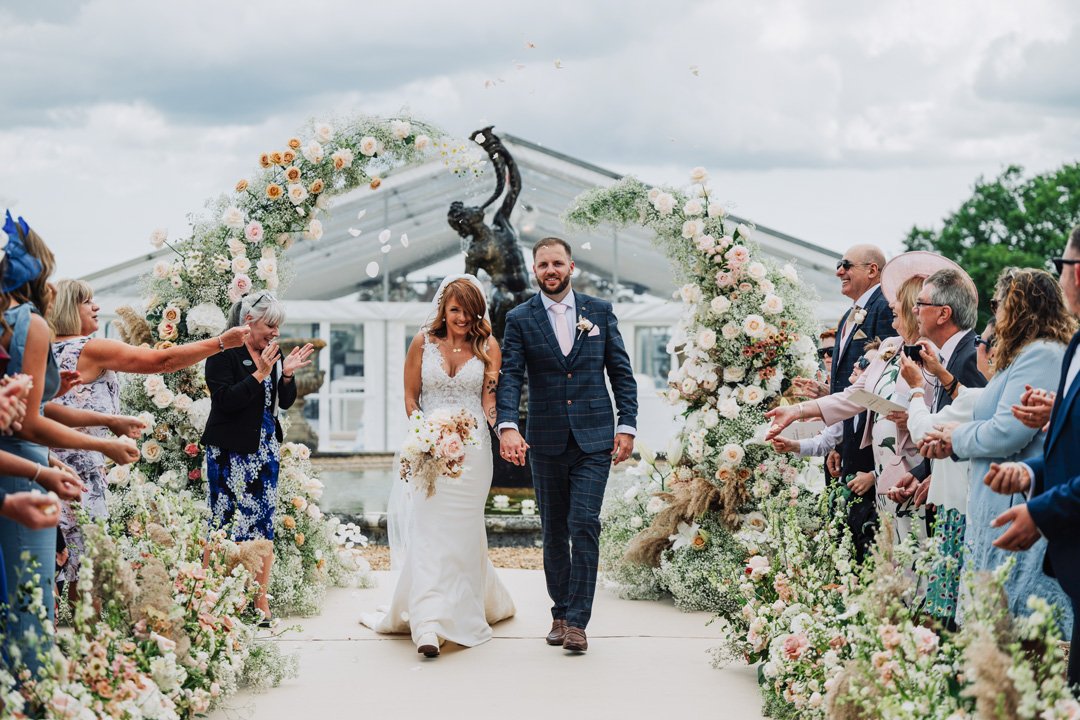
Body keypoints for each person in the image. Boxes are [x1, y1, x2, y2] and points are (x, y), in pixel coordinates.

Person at [46, 279, 250, 592]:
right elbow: (161, 361)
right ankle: (89, 640)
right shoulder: (92, 348)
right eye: (87, 302)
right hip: (79, 477)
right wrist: (222, 343)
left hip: (45, 471)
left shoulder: (43, 352)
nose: (96, 307)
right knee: (86, 583)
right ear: (69, 309)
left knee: (50, 575)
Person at [0, 212, 138, 663]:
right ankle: (34, 686)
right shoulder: (31, 325)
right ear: (38, 274)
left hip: (25, 462)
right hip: (24, 470)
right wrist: (102, 442)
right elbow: (30, 422)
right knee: (32, 592)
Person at [361, 275, 516, 657]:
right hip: (429, 451)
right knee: (429, 529)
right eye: (455, 310)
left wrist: (505, 432)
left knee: (463, 531)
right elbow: (411, 398)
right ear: (443, 310)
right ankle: (428, 622)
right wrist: (424, 434)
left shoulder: (488, 347)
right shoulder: (422, 344)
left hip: (474, 451)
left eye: (468, 310)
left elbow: (489, 403)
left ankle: (464, 607)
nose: (462, 318)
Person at [496, 237, 638, 653]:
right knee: (555, 531)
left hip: (594, 439)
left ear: (571, 266)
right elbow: (511, 377)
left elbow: (622, 374)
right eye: (543, 265)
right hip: (546, 438)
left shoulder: (600, 312)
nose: (550, 270)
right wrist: (508, 425)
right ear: (535, 269)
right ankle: (559, 611)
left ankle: (578, 622)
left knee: (584, 524)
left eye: (557, 263)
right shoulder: (520, 318)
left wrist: (626, 425)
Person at [770, 255, 957, 556]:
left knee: (917, 550)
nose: (892, 316)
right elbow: (850, 396)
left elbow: (948, 411)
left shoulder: (936, 357)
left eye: (897, 309)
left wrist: (910, 416)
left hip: (916, 465)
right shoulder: (888, 349)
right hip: (884, 466)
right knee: (890, 551)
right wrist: (796, 411)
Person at [918, 268, 1072, 630]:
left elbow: (1009, 431)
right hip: (995, 501)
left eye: (998, 304)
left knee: (1014, 628)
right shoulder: (1023, 356)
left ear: (1018, 306)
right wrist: (954, 437)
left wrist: (954, 437)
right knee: (990, 625)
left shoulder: (1043, 354)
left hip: (1018, 501)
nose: (996, 315)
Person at [201, 291, 312, 625]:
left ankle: (258, 601)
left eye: (278, 326)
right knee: (221, 522)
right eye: (270, 325)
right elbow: (225, 402)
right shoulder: (222, 354)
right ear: (247, 321)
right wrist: (259, 374)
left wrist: (286, 374)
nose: (275, 332)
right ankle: (210, 594)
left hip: (263, 449)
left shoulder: (272, 355)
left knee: (261, 523)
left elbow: (283, 402)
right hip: (227, 449)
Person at [893, 317, 995, 624]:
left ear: (993, 353)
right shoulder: (992, 394)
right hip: (964, 503)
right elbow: (966, 397)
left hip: (960, 509)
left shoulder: (985, 396)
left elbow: (924, 430)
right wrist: (941, 373)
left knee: (948, 612)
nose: (976, 347)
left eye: (982, 342)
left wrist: (915, 389)